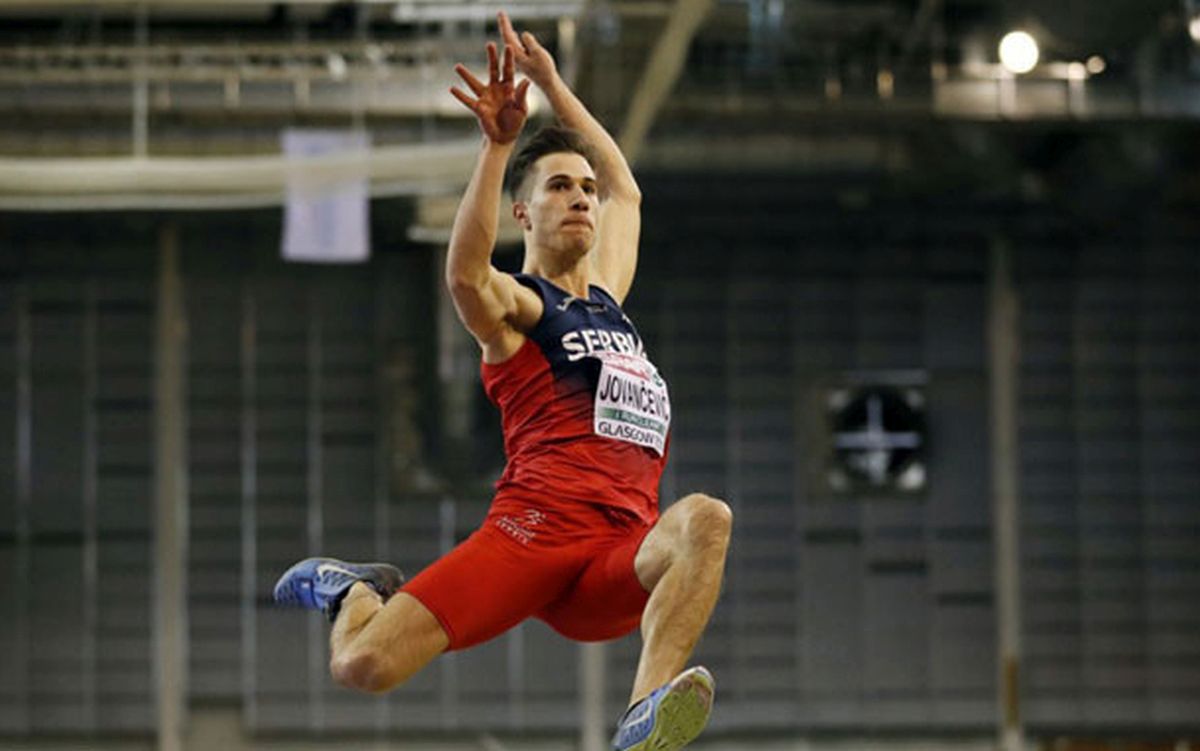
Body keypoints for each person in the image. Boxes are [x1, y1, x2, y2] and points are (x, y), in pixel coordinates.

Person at [273, 12, 732, 751]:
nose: (582, 197)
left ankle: (643, 715)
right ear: (524, 211)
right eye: (560, 186)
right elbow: (464, 277)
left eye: (585, 188)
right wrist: (497, 146)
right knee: (362, 664)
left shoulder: (609, 302)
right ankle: (353, 589)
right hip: (532, 537)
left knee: (707, 517)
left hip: (617, 558)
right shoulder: (522, 309)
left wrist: (553, 83)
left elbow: (627, 189)